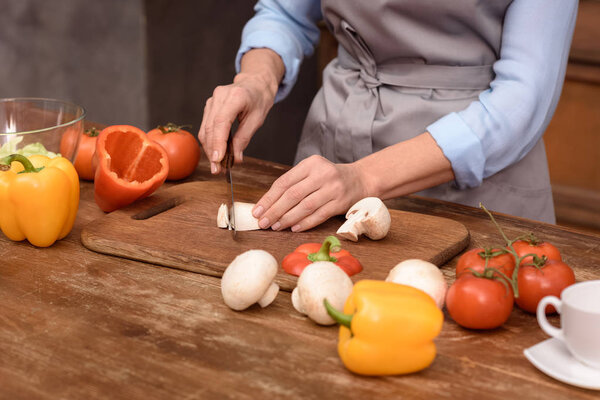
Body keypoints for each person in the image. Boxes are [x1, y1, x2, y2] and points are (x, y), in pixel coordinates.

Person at [198, 0, 577, 232]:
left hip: (475, 179)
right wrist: (256, 80)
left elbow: (522, 101)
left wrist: (364, 177)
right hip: (335, 143)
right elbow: (283, 12)